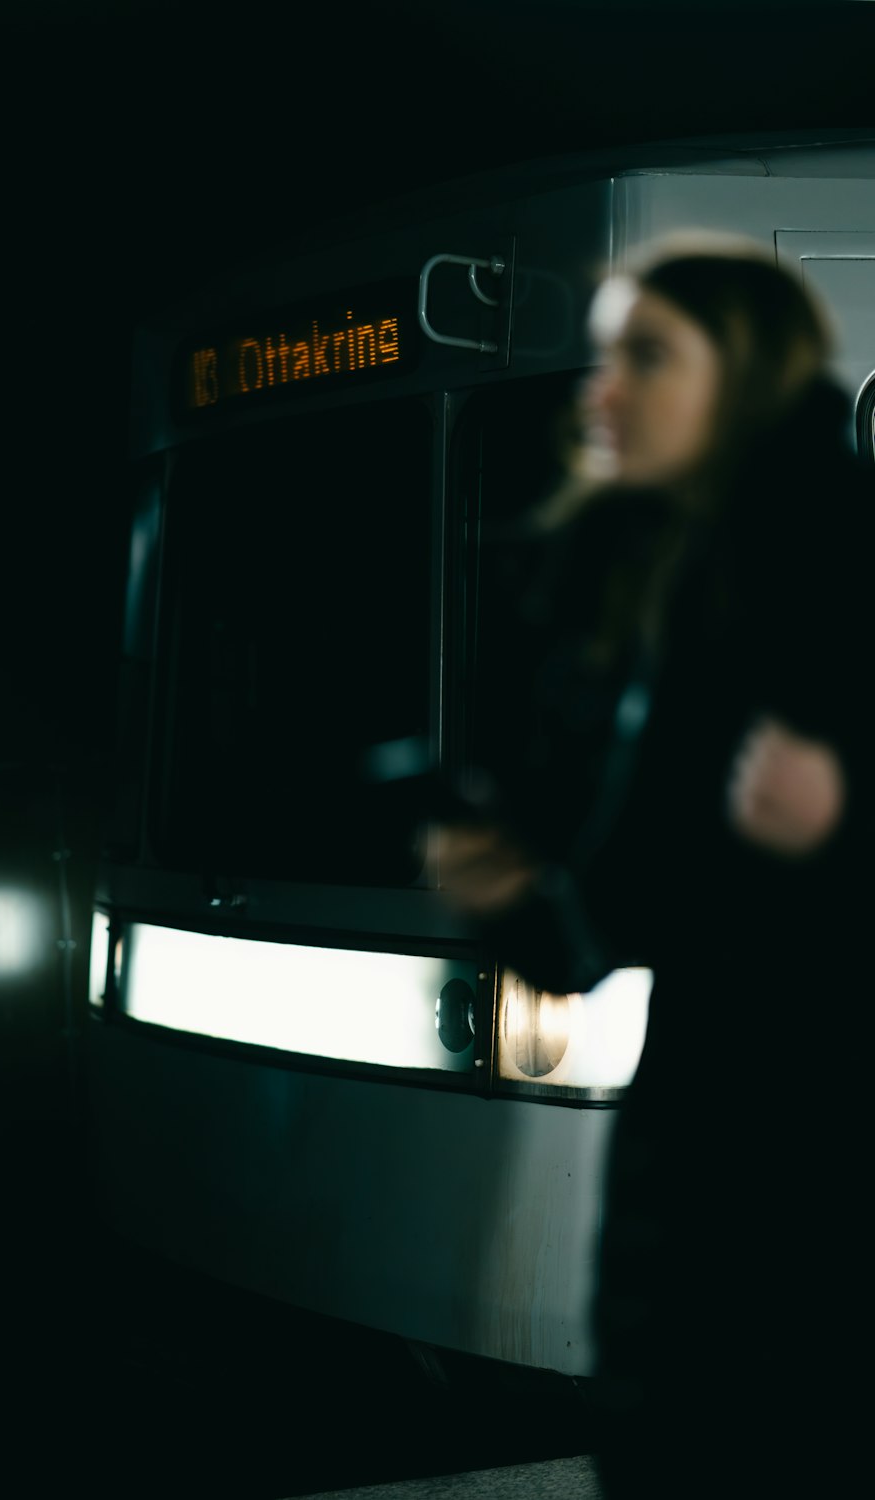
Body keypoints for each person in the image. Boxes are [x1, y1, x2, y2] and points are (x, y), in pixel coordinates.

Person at [427, 232, 872, 1497]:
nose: (600, 390)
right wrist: (516, 897)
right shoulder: (646, 594)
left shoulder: (844, 564)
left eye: (646, 355)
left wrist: (847, 820)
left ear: (744, 375)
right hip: (704, 1152)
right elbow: (615, 915)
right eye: (604, 355)